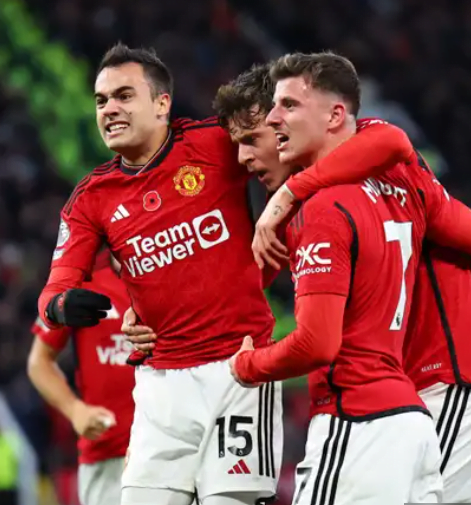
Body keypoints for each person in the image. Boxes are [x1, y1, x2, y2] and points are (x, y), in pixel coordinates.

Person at [223, 53, 471, 504]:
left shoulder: (331, 198)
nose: (245, 156)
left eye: (255, 137)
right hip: (422, 389)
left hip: (447, 373)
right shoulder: (384, 172)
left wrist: (248, 366)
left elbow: (316, 342)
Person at [37, 43, 283, 505]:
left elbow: (288, 145)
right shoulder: (92, 199)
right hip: (160, 386)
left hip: (241, 370)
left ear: (162, 103)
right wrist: (62, 305)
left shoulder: (216, 143)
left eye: (124, 96)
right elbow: (55, 288)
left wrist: (279, 210)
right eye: (101, 100)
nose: (109, 109)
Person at [27, 249, 134, 505]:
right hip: (109, 456)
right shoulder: (82, 285)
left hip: (174, 448)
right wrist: (75, 410)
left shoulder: (170, 278)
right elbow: (38, 362)